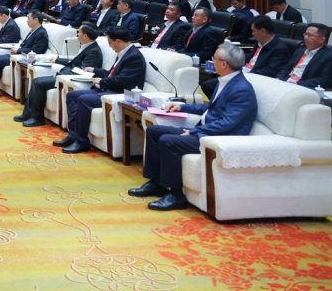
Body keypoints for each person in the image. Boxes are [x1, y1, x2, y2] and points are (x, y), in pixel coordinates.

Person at [130, 42, 257, 211]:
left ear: (224, 64)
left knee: (168, 141)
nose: (212, 61)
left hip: (218, 139)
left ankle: (176, 195)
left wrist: (194, 131)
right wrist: (182, 107)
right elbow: (211, 109)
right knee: (154, 131)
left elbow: (227, 123)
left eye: (214, 58)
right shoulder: (225, 81)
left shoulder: (242, 89)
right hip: (206, 131)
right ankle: (156, 183)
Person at [56, 25, 146, 154]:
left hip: (119, 94)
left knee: (83, 99)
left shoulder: (134, 57)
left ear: (118, 41)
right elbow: (112, 74)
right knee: (72, 95)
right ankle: (72, 135)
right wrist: (95, 70)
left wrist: (101, 81)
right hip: (109, 89)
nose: (109, 46)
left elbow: (122, 80)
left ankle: (81, 142)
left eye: (110, 42)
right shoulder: (123, 53)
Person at [16, 23, 104, 127]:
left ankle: (37, 118)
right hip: (65, 75)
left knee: (39, 83)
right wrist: (57, 60)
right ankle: (28, 114)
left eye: (79, 32)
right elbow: (74, 63)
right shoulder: (86, 46)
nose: (77, 34)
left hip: (72, 79)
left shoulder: (93, 51)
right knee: (37, 80)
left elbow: (81, 71)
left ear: (85, 36)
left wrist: (60, 75)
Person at [0, 10, 49, 96]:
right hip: (18, 55)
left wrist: (18, 50)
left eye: (29, 18)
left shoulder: (41, 33)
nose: (27, 21)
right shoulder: (33, 31)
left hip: (23, 58)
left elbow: (36, 51)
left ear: (36, 20)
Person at [278, 23, 332, 89]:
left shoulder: (329, 56)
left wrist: (297, 83)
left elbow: (324, 81)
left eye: (310, 35)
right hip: (286, 83)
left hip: (303, 87)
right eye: (305, 34)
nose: (305, 37)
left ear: (322, 40)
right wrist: (279, 79)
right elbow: (286, 69)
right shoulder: (300, 51)